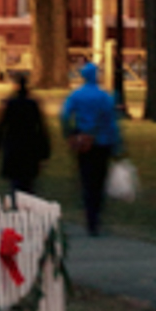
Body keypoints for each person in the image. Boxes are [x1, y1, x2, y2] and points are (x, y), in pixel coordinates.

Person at [60, 56, 124, 233]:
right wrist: (117, 143)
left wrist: (69, 133)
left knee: (86, 178)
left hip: (84, 141)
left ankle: (89, 214)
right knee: (100, 179)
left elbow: (64, 115)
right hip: (103, 142)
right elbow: (112, 122)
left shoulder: (76, 95)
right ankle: (97, 214)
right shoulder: (105, 96)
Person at [0, 70, 53, 193]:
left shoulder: (8, 103)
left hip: (13, 144)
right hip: (30, 144)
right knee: (28, 179)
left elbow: (0, 125)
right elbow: (41, 127)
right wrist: (45, 149)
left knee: (15, 179)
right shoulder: (33, 104)